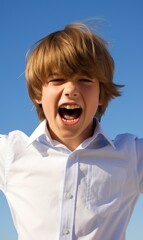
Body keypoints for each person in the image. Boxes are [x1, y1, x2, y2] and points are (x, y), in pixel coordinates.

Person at [0, 22, 142, 240]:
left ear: (101, 95)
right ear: (39, 93)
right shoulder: (10, 154)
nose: (71, 90)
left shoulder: (131, 156)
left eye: (85, 80)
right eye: (57, 80)